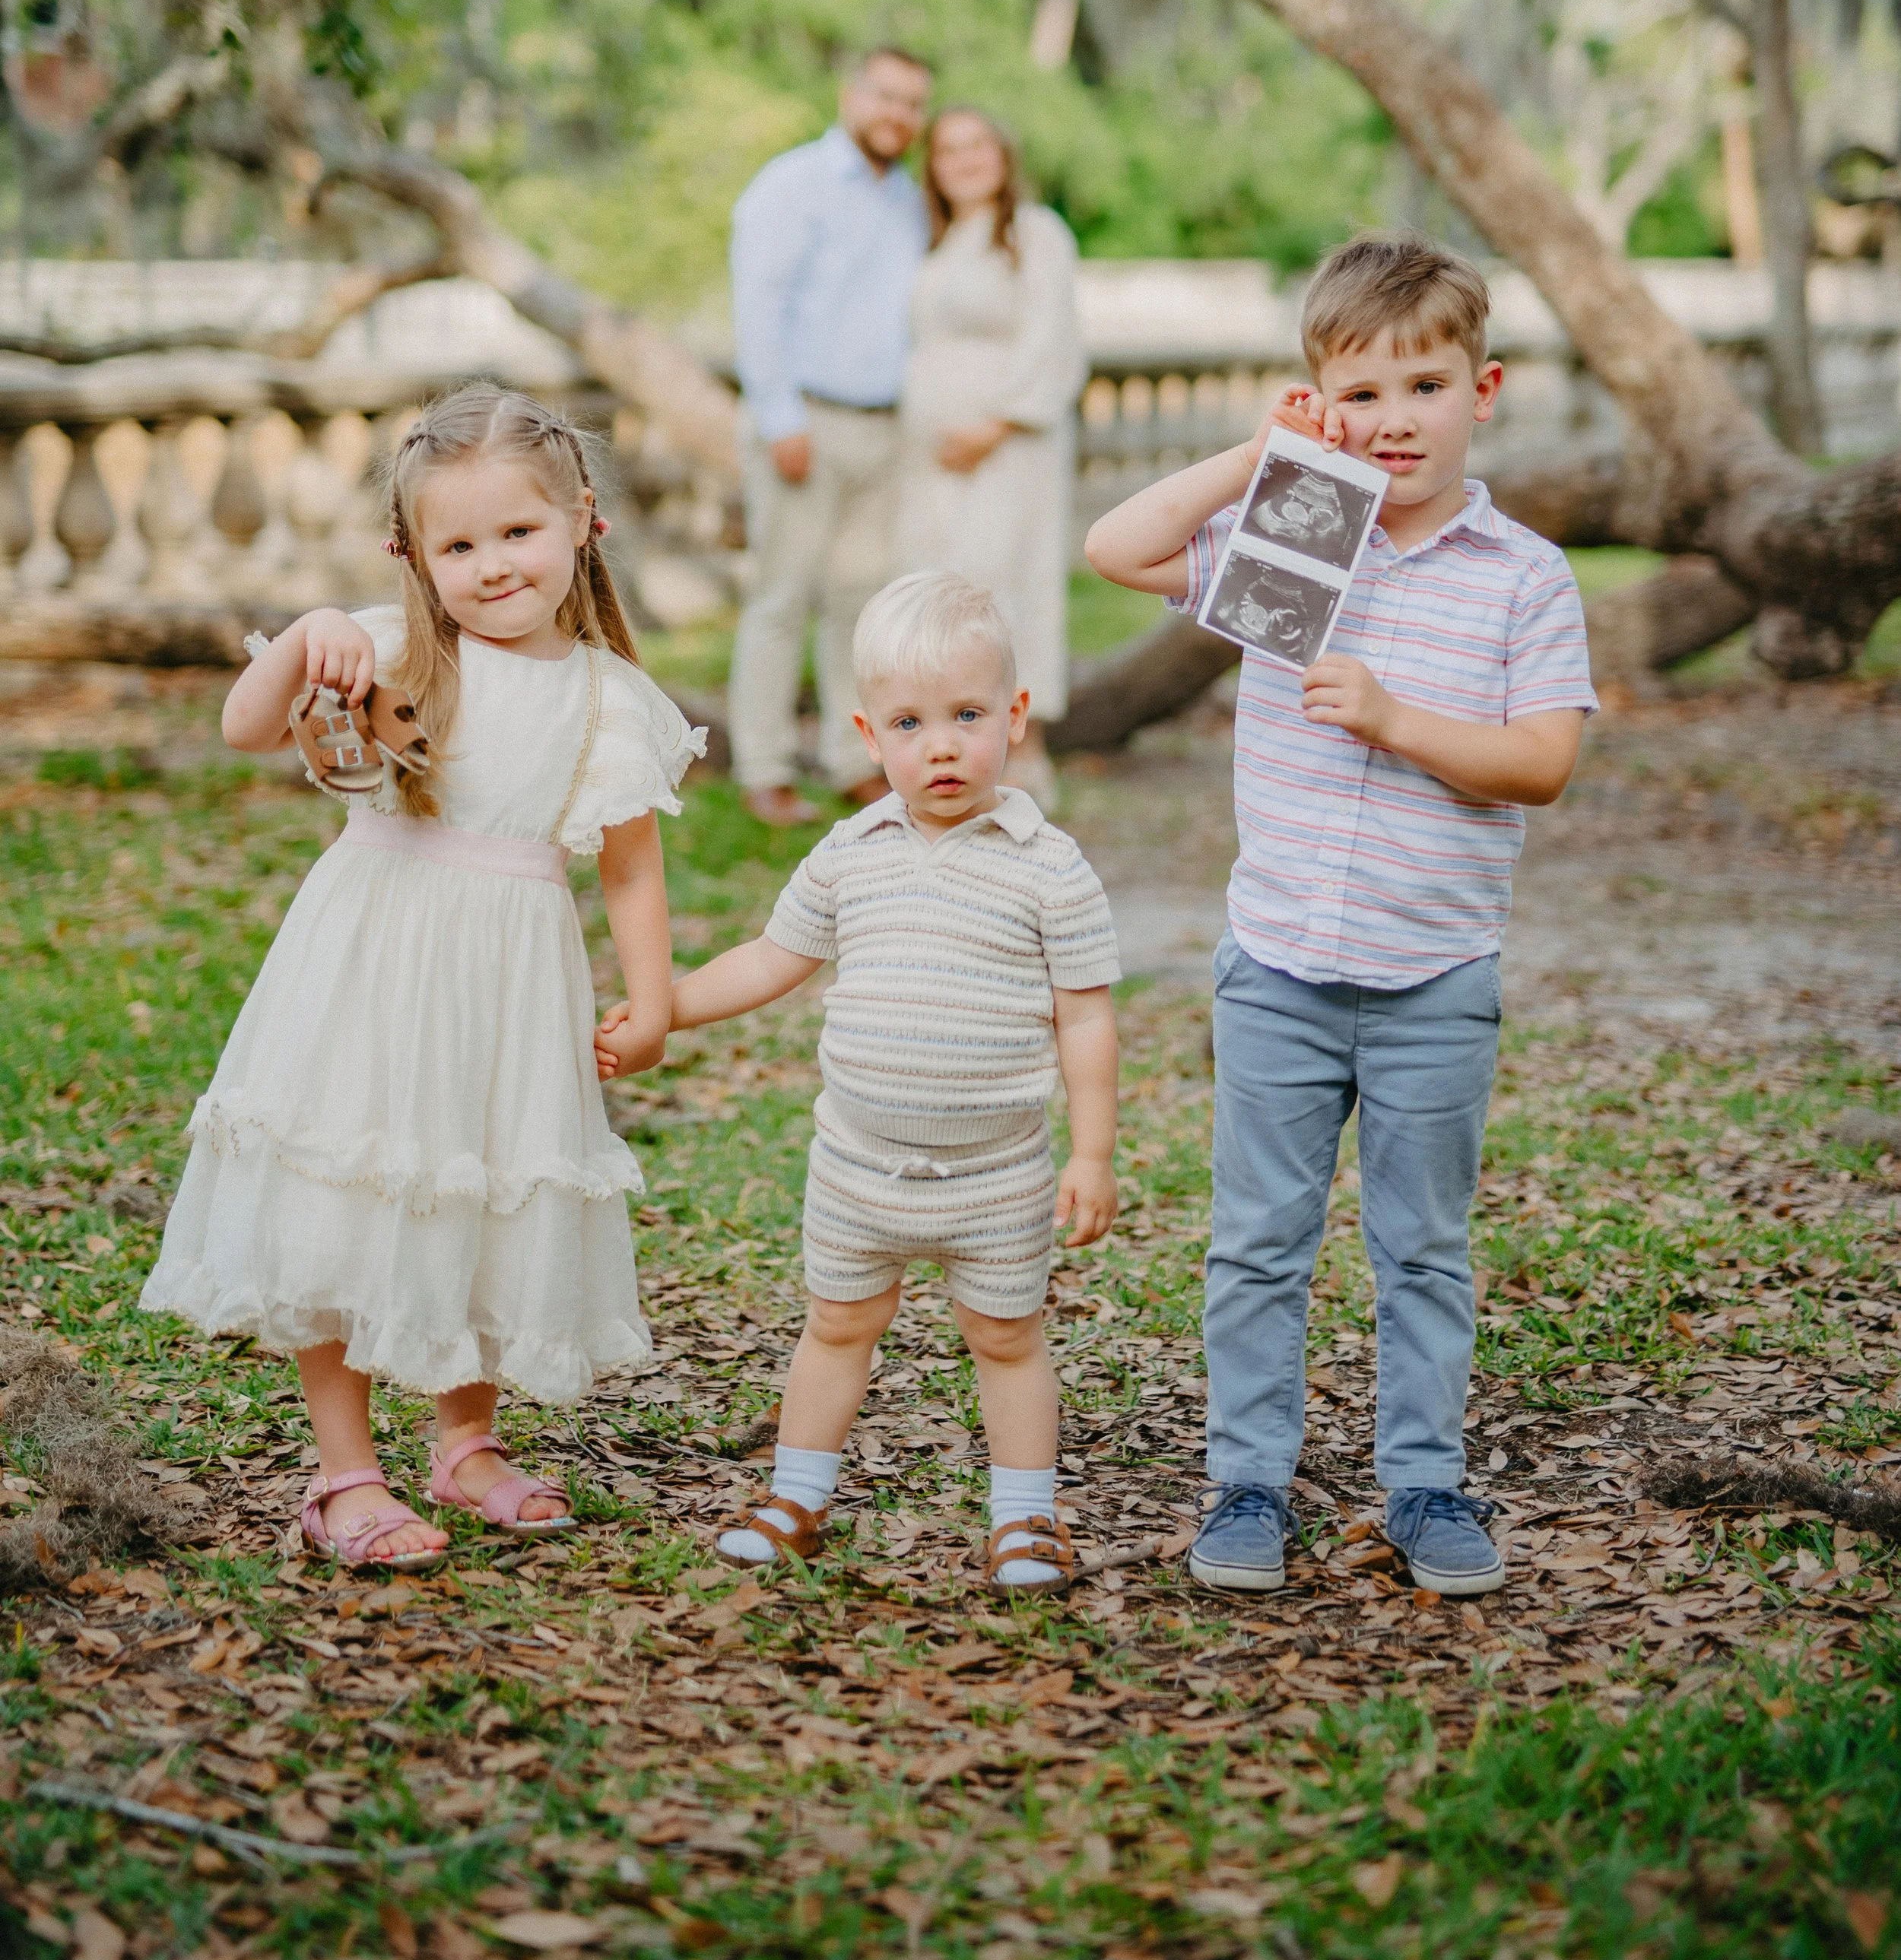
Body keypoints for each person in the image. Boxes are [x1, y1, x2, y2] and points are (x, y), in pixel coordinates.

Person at [1085, 233, 1596, 1602]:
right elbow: (1116, 549)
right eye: (1360, 394)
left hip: (1434, 973)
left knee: (1422, 1245)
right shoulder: (1305, 536)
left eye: (1423, 387)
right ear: (1321, 399)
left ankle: (1424, 1483)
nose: (1394, 421)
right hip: (1284, 965)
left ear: (1480, 390)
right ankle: (1248, 1480)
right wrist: (1263, 462)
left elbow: (1542, 760)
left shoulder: (1521, 574)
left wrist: (1395, 718)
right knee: (1259, 1239)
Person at [141, 384, 703, 1569]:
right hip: (373, 959)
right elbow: (247, 725)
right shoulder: (390, 648)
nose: (494, 564)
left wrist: (653, 1001)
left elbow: (632, 868)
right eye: (459, 544)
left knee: (485, 1181)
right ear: (413, 556)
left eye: (518, 532)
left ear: (583, 519)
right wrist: (304, 635)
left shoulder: (613, 699)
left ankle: (466, 1441)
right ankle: (346, 1472)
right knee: (352, 1187)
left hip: (509, 978)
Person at [599, 570, 1121, 1592]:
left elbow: (1088, 1016)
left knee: (1007, 1336)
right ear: (867, 734)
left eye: (968, 715)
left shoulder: (1048, 865)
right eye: (910, 721)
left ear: (1014, 718)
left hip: (997, 1168)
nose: (941, 744)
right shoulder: (851, 851)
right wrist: (666, 1006)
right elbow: (770, 957)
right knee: (837, 1322)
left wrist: (1094, 1151)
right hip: (859, 1163)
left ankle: (1025, 1514)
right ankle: (799, 1490)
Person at [728, 47, 934, 826]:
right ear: (850, 94)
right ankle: (764, 767)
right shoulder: (791, 185)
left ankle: (854, 760)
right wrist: (780, 416)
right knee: (781, 595)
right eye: (885, 96)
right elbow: (759, 305)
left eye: (912, 104)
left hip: (883, 430)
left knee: (859, 601)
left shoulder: (908, 201)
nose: (897, 115)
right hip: (804, 420)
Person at [897, 109, 1086, 807]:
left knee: (1006, 584)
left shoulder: (1035, 235)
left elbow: (1052, 339)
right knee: (942, 590)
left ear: (1003, 154)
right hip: (930, 461)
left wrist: (994, 423)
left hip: (1008, 446)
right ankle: (955, 748)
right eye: (948, 150)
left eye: (977, 145)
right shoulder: (940, 243)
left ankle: (1023, 748)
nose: (964, 160)